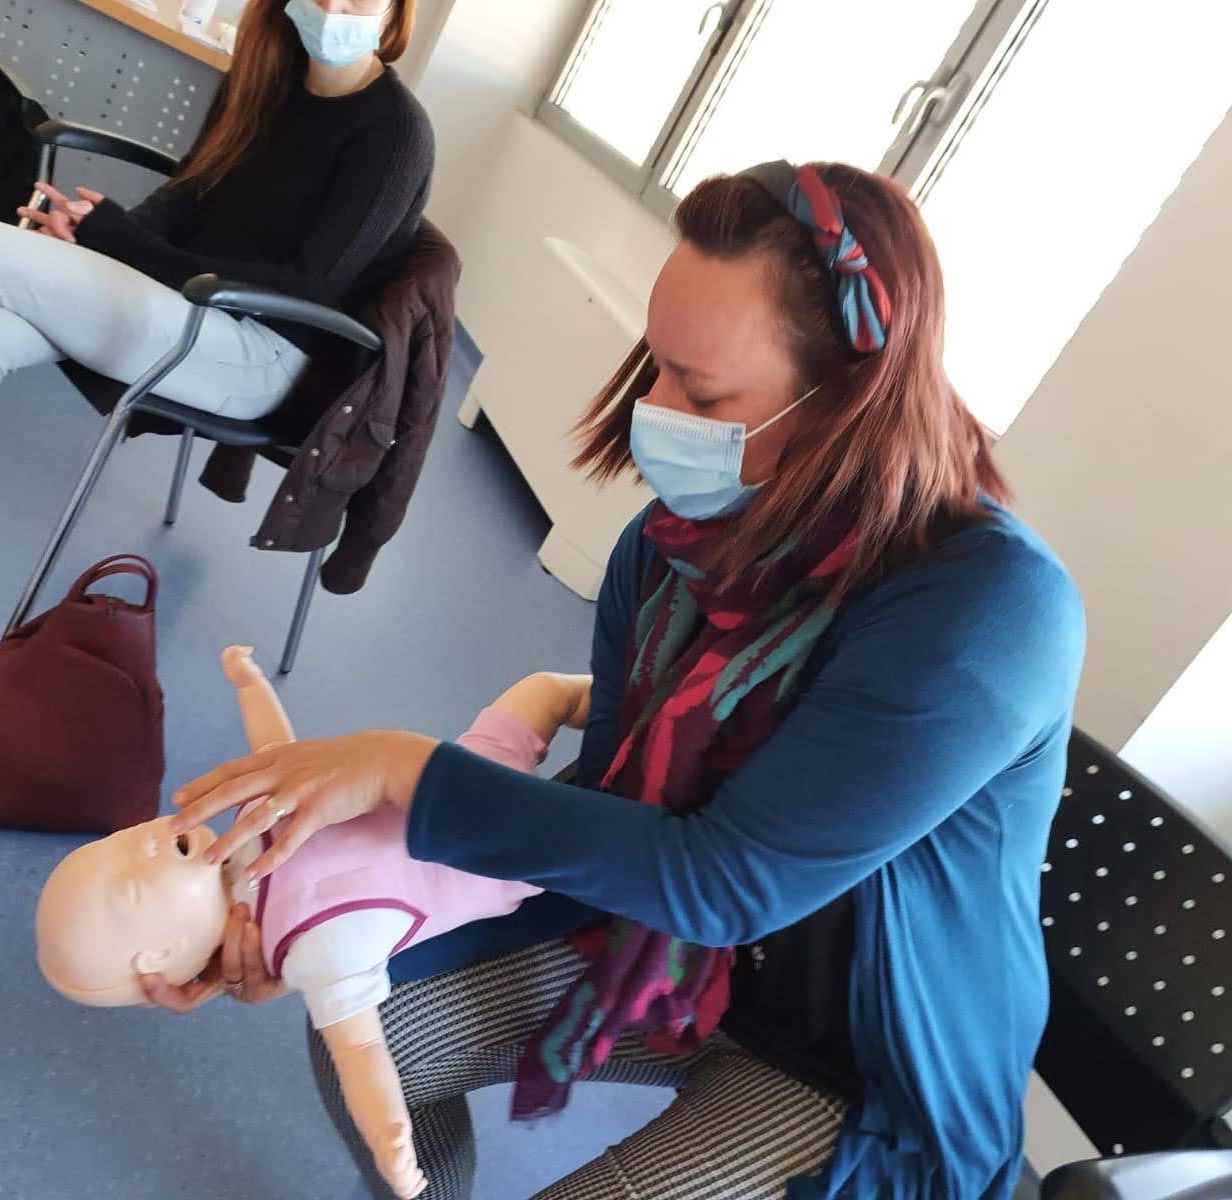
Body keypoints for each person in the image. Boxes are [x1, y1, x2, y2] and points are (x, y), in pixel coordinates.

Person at [162, 160, 1087, 1199]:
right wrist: (320, 908)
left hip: (858, 1069)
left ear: (849, 403)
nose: (653, 408)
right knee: (371, 1017)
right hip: (676, 949)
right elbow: (612, 809)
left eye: (702, 391)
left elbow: (723, 880)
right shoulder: (673, 547)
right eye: (655, 363)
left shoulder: (989, 611)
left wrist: (405, 774)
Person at [0, 0, 429, 648]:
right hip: (181, 305)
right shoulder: (267, 77)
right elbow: (191, 195)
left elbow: (306, 284)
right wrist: (94, 234)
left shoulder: (395, 133)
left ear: (398, 10)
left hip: (258, 350)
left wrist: (120, 241)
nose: (334, 5)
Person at [36, 647, 590, 1200]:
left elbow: (280, 755)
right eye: (133, 881)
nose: (144, 840)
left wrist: (250, 686)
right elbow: (360, 1050)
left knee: (545, 689)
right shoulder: (312, 950)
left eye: (120, 841)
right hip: (513, 859)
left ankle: (618, 735)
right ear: (162, 953)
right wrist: (389, 1135)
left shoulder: (250, 828)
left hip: (470, 773)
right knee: (582, 817)